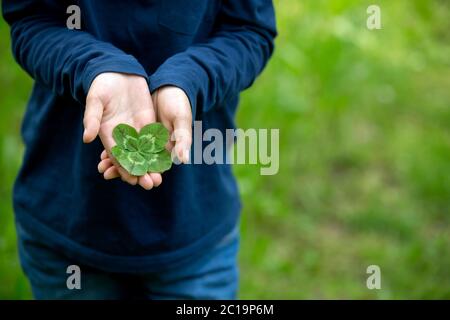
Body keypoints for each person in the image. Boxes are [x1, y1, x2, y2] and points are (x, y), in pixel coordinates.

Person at [2, 0, 276, 299]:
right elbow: (32, 17)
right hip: (68, 221)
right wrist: (94, 66)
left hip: (193, 225)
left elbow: (250, 29)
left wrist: (189, 79)